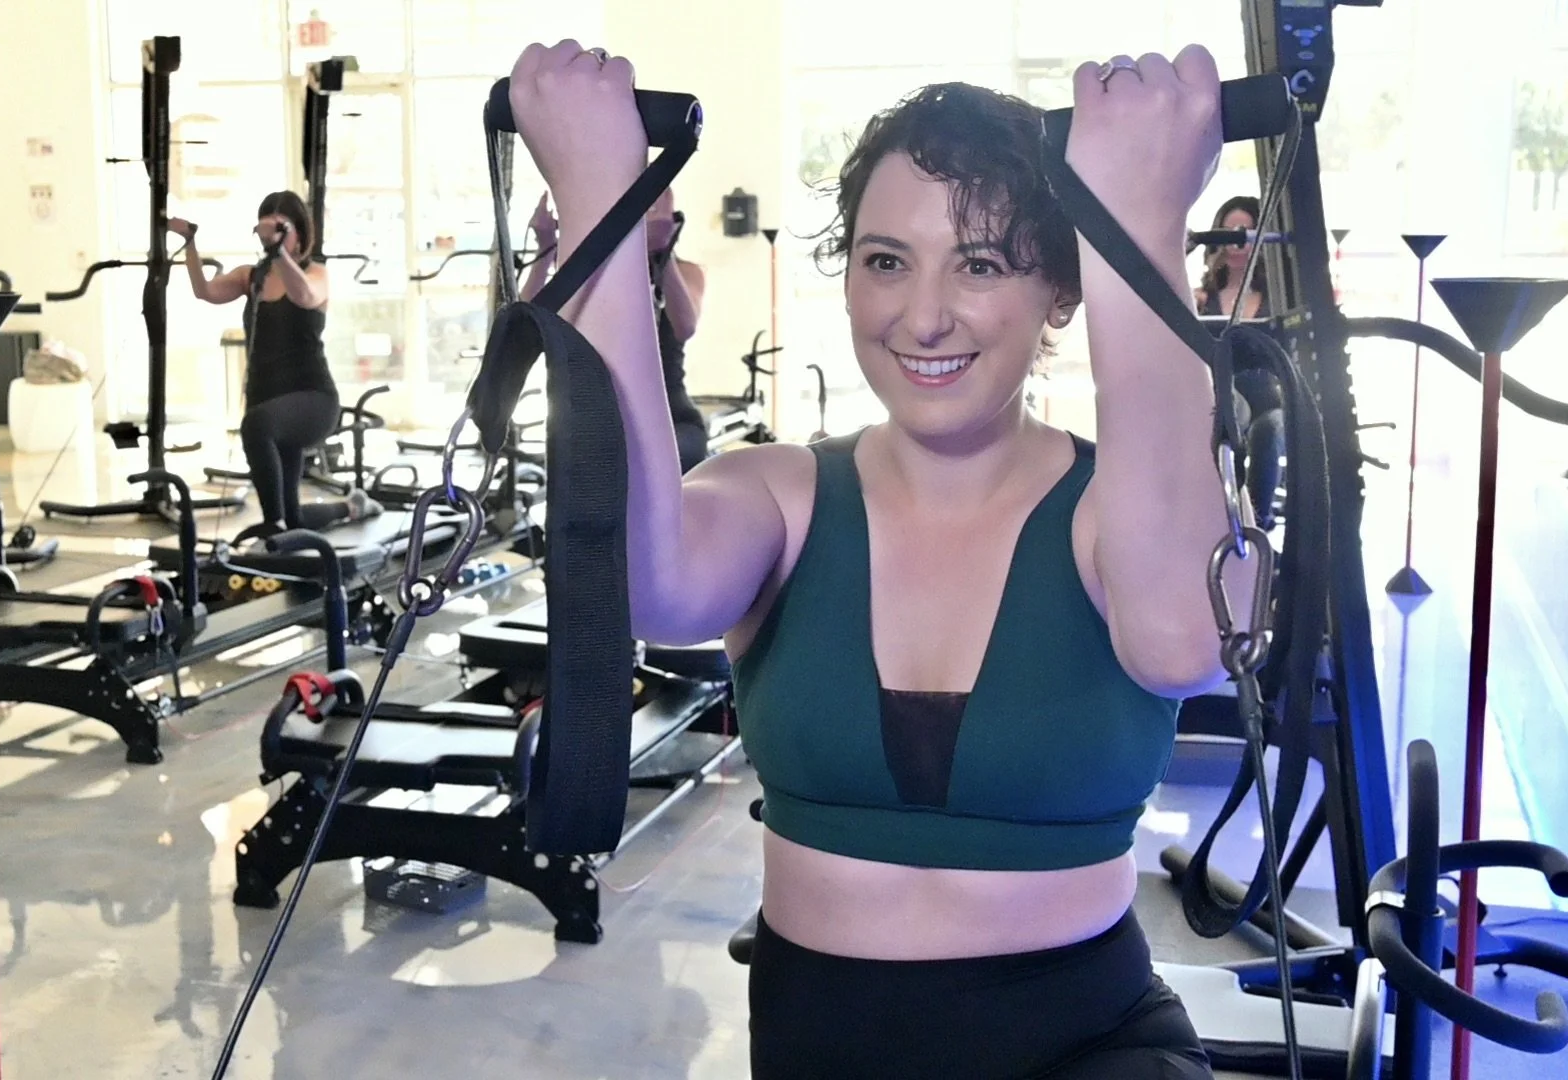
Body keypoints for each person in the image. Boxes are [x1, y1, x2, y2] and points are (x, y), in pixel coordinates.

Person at [508, 40, 1252, 1078]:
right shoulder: (781, 494)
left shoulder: (1108, 511)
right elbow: (645, 586)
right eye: (886, 260)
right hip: (821, 1042)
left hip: (1085, 1046)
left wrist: (1139, 225)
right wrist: (604, 207)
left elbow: (1183, 639)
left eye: (982, 263)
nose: (924, 314)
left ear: (1060, 294)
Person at [169, 191, 376, 536]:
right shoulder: (251, 276)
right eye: (268, 228)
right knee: (294, 515)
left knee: (255, 426)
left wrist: (278, 252)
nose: (275, 235)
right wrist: (190, 242)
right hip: (269, 401)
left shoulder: (316, 274)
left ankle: (272, 525)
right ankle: (352, 507)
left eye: (283, 228)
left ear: (300, 233)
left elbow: (305, 296)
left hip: (313, 400)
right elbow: (204, 291)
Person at [522, 186, 711, 471]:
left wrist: (663, 252)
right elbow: (529, 326)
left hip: (671, 419)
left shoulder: (686, 272)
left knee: (659, 461)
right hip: (601, 420)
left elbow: (685, 326)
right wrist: (546, 249)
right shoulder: (593, 275)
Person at [1194, 194, 1268, 318]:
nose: (1235, 246)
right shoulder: (1201, 300)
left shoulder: (1281, 297)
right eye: (1228, 235)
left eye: (1243, 236)